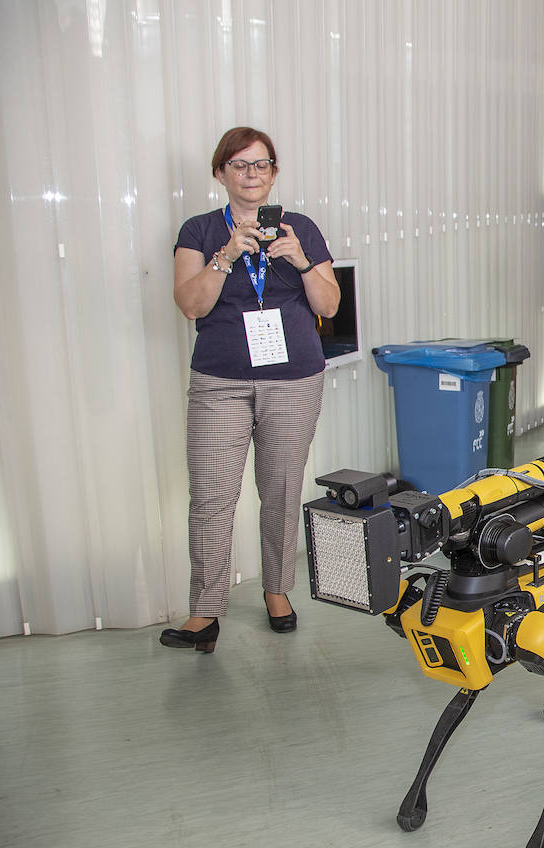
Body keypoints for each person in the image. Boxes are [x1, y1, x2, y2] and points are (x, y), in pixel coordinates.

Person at [161, 126, 340, 653]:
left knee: (282, 490)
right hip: (220, 379)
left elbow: (328, 306)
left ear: (274, 172)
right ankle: (205, 610)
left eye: (261, 164)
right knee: (212, 496)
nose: (251, 174)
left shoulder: (301, 228)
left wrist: (300, 261)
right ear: (221, 174)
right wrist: (225, 256)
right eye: (240, 165)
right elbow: (191, 304)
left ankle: (277, 591)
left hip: (294, 378)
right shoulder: (198, 231)